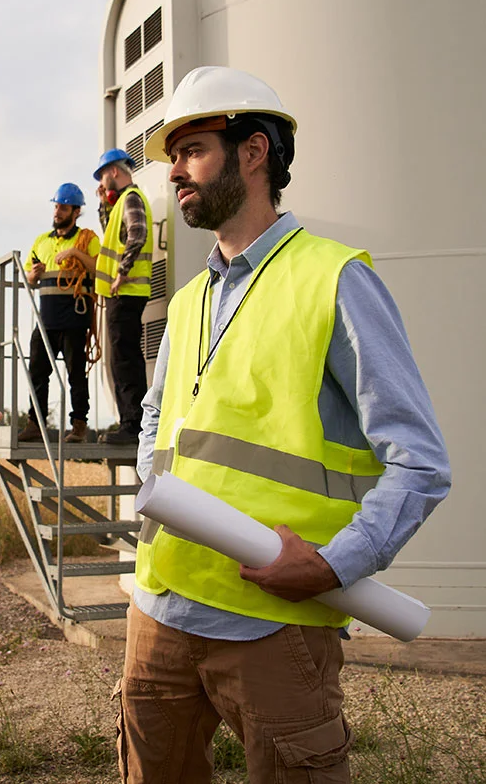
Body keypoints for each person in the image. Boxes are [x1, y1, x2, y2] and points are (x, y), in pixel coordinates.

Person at [119, 67, 451, 783]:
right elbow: (156, 425)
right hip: (160, 612)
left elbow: (421, 462)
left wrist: (337, 564)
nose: (174, 171)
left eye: (193, 149)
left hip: (273, 627)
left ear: (254, 152)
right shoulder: (185, 303)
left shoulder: (334, 278)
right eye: (173, 156)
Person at [20, 183, 100, 444]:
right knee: (37, 371)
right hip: (47, 320)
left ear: (76, 211)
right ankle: (35, 423)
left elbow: (99, 268)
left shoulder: (87, 239)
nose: (57, 212)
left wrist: (76, 252)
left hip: (75, 316)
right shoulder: (41, 241)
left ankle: (78, 425)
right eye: (56, 206)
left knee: (76, 372)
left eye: (63, 207)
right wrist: (33, 275)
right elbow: (28, 278)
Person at [93, 148, 154, 444]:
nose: (103, 184)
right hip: (122, 293)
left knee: (125, 358)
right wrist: (103, 202)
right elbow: (114, 234)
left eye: (104, 177)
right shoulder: (120, 203)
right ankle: (129, 422)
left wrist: (122, 271)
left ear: (114, 171)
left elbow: (137, 234)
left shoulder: (130, 198)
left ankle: (133, 425)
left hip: (126, 291)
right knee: (121, 357)